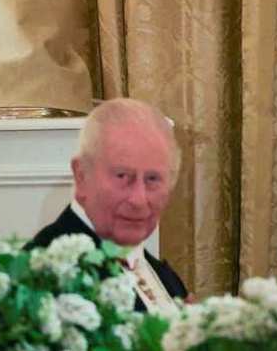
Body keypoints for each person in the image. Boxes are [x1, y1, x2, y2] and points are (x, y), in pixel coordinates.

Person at [27, 98, 188, 313]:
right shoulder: (44, 274)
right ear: (81, 175)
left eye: (152, 179)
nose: (138, 200)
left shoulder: (166, 278)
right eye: (122, 176)